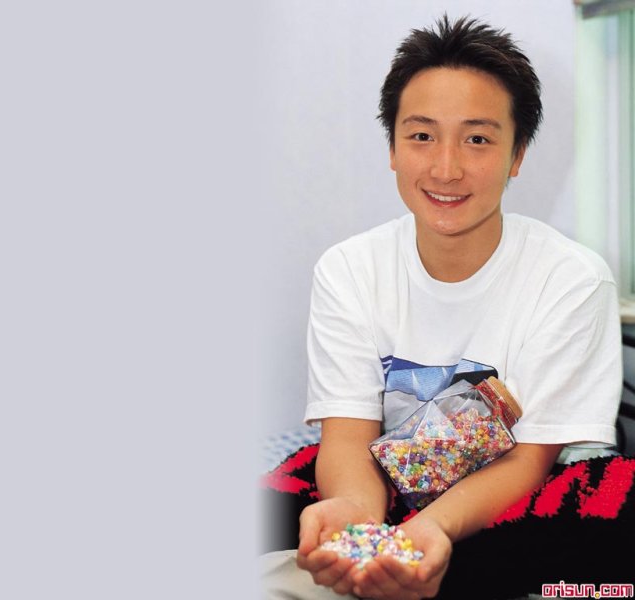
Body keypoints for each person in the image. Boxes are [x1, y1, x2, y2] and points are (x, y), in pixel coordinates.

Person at [261, 14, 623, 600]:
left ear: (517, 154)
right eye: (422, 136)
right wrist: (358, 518)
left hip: (521, 492)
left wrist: (430, 530)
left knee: (606, 534)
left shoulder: (572, 280)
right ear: (392, 148)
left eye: (477, 139)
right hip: (387, 477)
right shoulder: (349, 269)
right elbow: (348, 437)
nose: (446, 168)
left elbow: (531, 460)